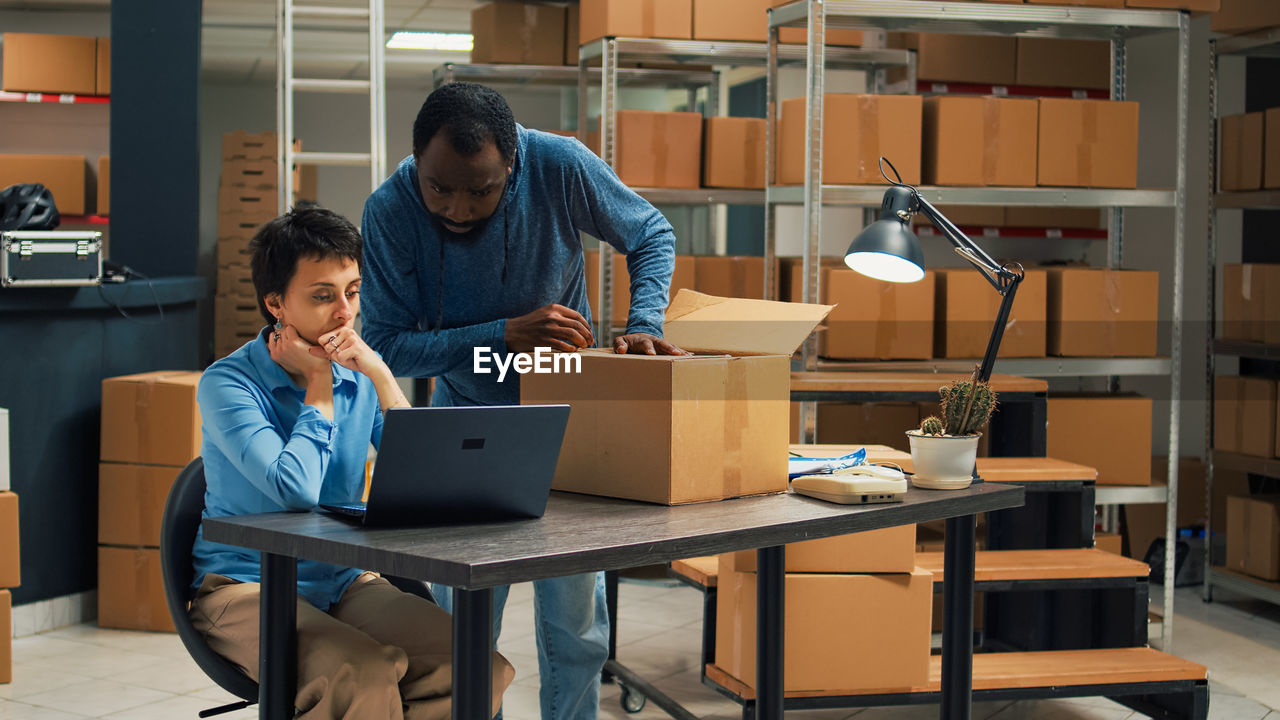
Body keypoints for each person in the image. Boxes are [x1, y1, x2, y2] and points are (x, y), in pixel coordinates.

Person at [360, 82, 686, 720]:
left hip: (566, 423)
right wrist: (505, 333)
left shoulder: (560, 166)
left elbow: (651, 232)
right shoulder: (390, 211)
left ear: (514, 162)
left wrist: (645, 319)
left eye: (479, 190)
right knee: (463, 627)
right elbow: (386, 347)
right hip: (466, 428)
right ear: (416, 162)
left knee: (575, 624)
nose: (456, 208)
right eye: (439, 187)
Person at [191, 206, 514, 720]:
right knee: (362, 675)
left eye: (353, 291)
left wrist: (382, 376)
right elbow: (295, 489)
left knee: (479, 667)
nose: (345, 312)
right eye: (323, 296)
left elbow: (434, 476)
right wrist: (319, 387)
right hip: (246, 587)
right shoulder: (227, 384)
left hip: (344, 581)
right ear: (277, 303)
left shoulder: (359, 378)